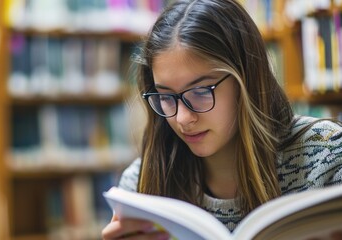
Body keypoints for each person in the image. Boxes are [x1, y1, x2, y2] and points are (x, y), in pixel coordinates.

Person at [102, 0, 342, 239]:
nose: (183, 118)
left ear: (246, 80)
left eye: (200, 92)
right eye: (165, 97)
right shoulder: (141, 185)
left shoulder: (327, 156)